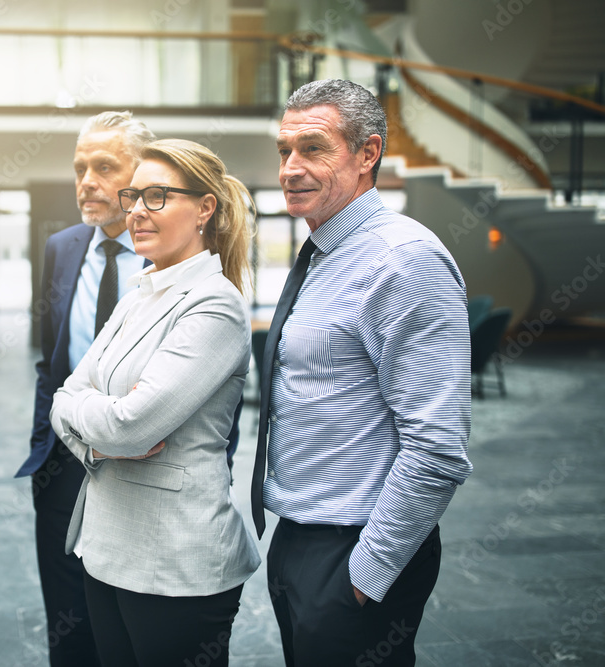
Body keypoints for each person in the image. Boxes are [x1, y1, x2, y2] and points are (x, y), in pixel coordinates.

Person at [251, 78, 474, 666]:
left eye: (313, 149)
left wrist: (366, 574)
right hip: (300, 538)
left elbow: (437, 445)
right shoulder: (325, 254)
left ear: (367, 154)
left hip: (355, 550)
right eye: (284, 151)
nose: (290, 167)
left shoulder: (403, 260)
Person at [50, 139, 260, 667]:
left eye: (157, 196)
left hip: (176, 560)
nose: (137, 210)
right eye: (133, 196)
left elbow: (130, 427)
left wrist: (98, 421)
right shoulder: (139, 291)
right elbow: (63, 396)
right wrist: (100, 436)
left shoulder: (214, 304)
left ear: (205, 208)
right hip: (108, 549)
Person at [15, 111, 154, 666]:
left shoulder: (176, 253)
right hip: (63, 467)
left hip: (144, 468)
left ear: (141, 174)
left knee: (132, 626)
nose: (87, 182)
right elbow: (51, 364)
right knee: (70, 633)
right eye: (79, 169)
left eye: (104, 166)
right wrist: (42, 453)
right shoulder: (63, 248)